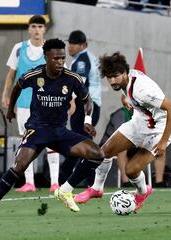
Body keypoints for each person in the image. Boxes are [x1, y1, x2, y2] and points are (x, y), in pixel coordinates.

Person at [0, 39, 104, 217]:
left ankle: (65, 190)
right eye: (56, 59)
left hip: (60, 132)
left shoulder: (71, 78)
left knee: (97, 154)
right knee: (18, 166)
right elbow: (17, 87)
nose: (60, 62)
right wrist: (11, 110)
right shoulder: (34, 75)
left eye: (62, 58)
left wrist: (88, 120)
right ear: (46, 58)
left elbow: (87, 100)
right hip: (37, 130)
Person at [60, 52, 171, 211]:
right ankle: (96, 188)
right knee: (103, 152)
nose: (112, 81)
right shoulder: (127, 81)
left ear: (125, 73)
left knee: (131, 171)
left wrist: (163, 141)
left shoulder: (143, 90)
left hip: (159, 130)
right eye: (109, 77)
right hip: (139, 122)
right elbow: (129, 93)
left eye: (115, 76)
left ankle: (142, 192)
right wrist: (127, 99)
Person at [1, 15, 60, 193]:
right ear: (29, 29)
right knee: (26, 141)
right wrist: (6, 94)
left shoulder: (51, 49)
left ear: (44, 29)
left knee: (51, 140)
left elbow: (60, 73)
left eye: (40, 26)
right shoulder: (19, 48)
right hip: (24, 102)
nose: (36, 30)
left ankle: (55, 183)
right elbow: (12, 75)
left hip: (47, 103)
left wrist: (69, 98)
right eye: (33, 26)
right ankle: (29, 183)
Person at [58, 30, 102, 185]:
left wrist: (71, 103)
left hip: (84, 106)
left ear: (84, 45)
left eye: (74, 43)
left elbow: (78, 84)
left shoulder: (82, 60)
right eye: (69, 43)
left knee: (79, 142)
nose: (70, 46)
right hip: (92, 105)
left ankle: (67, 177)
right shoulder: (87, 57)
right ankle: (83, 180)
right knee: (82, 141)